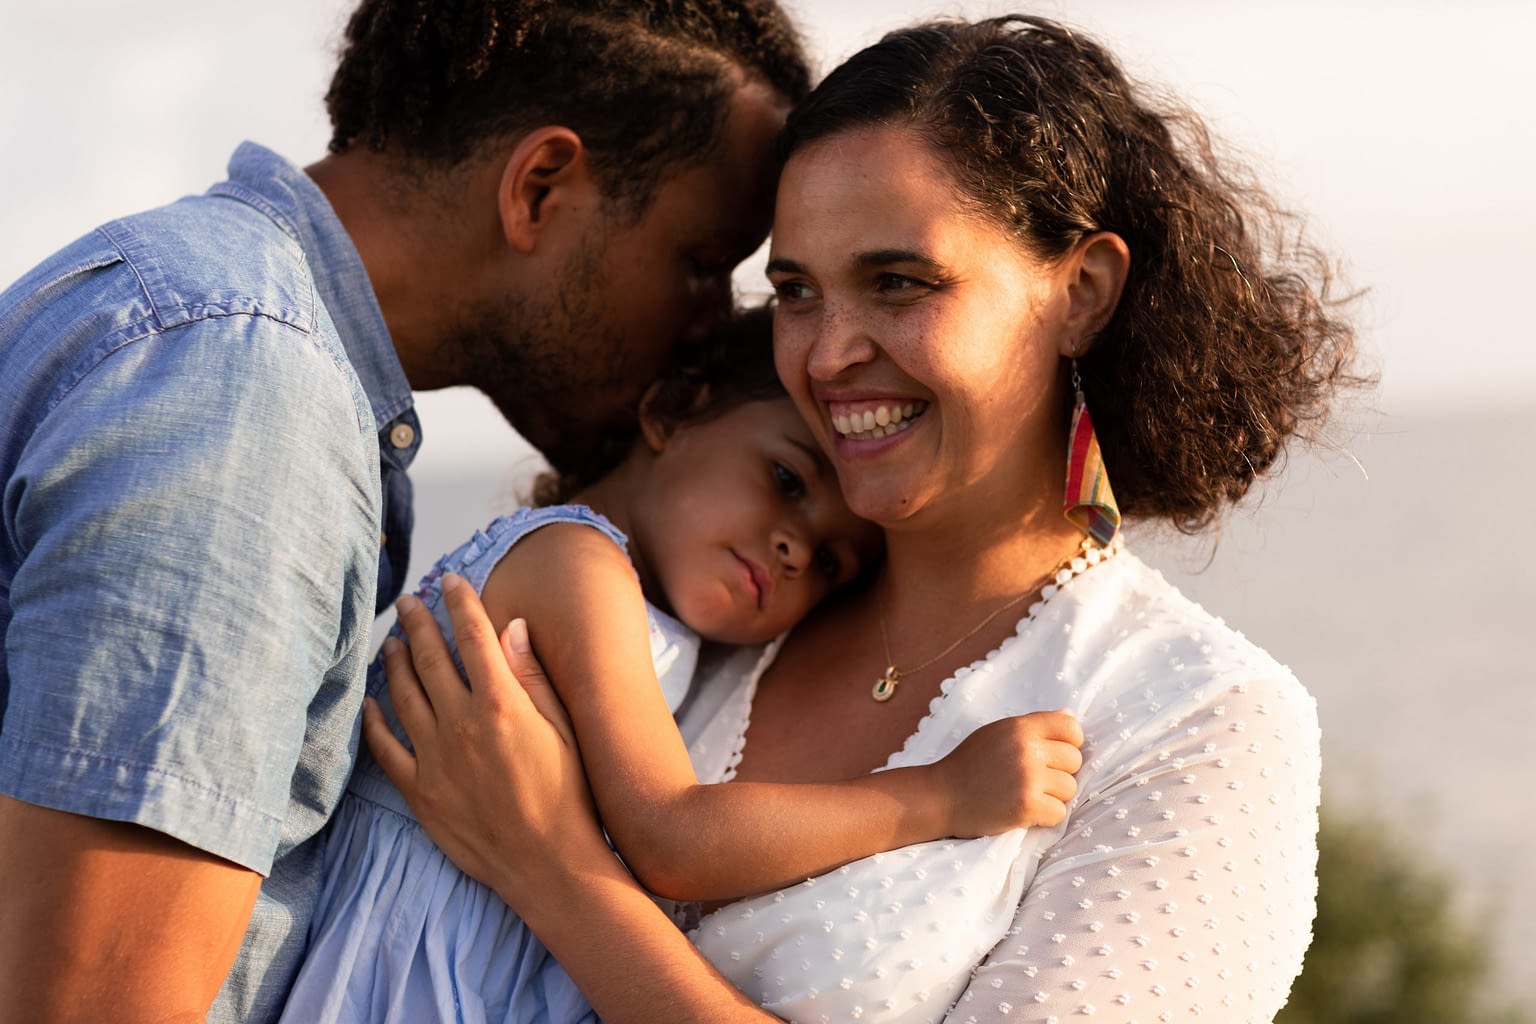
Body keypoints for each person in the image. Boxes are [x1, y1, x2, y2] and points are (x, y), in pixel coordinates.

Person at [371, 14, 1365, 1024]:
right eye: (797, 292)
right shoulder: (727, 604)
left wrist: (559, 875)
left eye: (899, 282)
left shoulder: (1196, 720)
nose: (828, 353)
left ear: (1084, 292)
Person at [0, 2, 811, 1021]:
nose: (711, 331)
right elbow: (100, 1004)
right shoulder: (253, 401)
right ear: (540, 187)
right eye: (701, 264)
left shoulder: (195, 305)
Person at [280, 307, 1086, 1023]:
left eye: (834, 563)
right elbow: (672, 836)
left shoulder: (669, 629)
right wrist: (939, 794)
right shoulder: (573, 561)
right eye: (786, 479)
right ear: (674, 413)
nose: (795, 548)